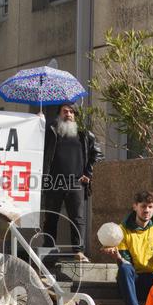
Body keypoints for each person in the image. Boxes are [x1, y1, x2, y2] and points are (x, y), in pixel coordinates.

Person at [41, 102, 104, 262]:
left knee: (77, 218)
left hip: (76, 182)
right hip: (54, 181)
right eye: (65, 111)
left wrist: (88, 173)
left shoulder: (84, 135)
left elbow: (98, 155)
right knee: (51, 217)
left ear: (75, 115)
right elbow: (35, 140)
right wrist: (38, 121)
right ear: (59, 114)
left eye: (71, 112)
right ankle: (48, 250)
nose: (68, 114)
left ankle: (78, 251)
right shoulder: (50, 132)